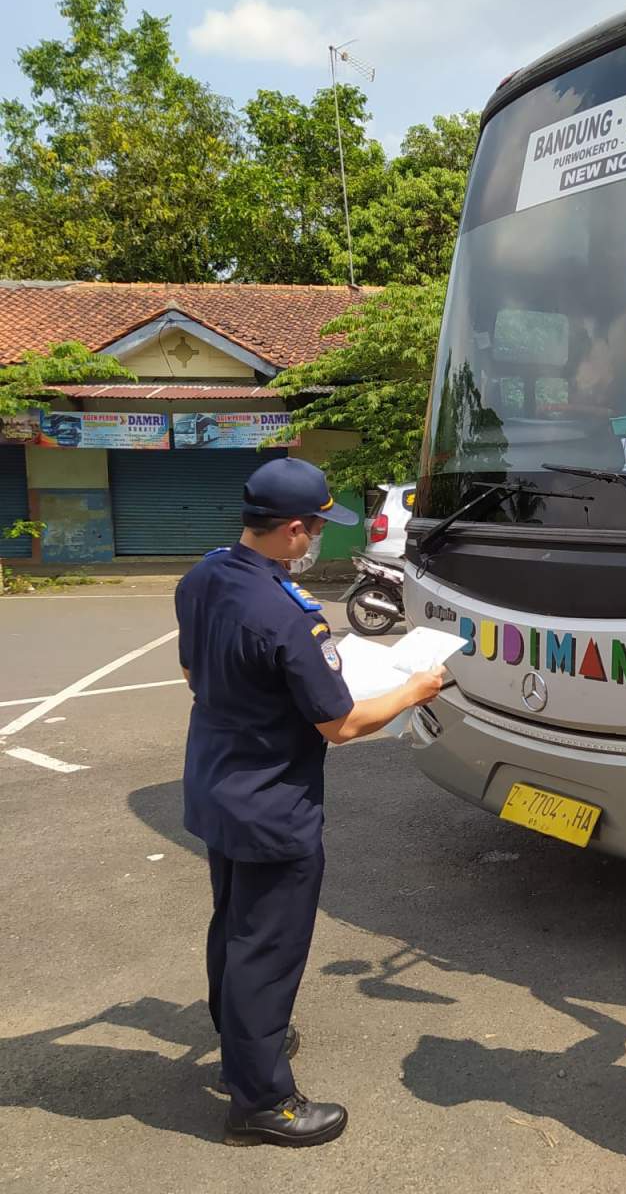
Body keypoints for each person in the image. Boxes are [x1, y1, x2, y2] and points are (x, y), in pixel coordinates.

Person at [175, 456, 444, 1148]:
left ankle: (240, 1037)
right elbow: (343, 724)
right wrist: (415, 690)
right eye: (318, 526)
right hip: (272, 804)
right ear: (293, 530)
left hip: (216, 783)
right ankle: (261, 1101)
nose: (319, 537)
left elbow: (190, 670)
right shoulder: (293, 615)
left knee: (233, 924)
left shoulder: (205, 575)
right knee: (267, 946)